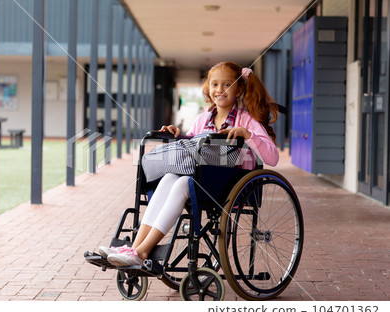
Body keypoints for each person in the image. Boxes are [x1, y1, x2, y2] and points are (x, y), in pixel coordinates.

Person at [100, 61, 280, 267]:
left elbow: (272, 158)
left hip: (228, 184)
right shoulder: (203, 119)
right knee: (169, 178)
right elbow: (191, 148)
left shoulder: (246, 120)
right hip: (201, 178)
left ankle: (141, 252)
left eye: (227, 85)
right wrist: (177, 134)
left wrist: (247, 135)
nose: (219, 90)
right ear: (208, 88)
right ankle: (133, 248)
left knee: (183, 183)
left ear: (239, 89)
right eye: (214, 85)